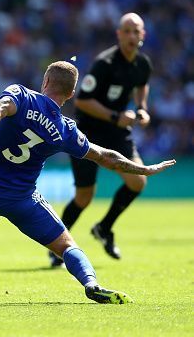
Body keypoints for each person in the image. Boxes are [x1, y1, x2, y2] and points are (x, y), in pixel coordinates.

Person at [0, 61, 175, 303]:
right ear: (71, 94)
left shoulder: (21, 96)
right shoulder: (65, 130)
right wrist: (143, 168)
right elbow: (105, 157)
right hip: (22, 201)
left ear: (45, 80)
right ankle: (91, 283)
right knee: (66, 246)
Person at [50, 13, 153, 267]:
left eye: (135, 31)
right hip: (89, 134)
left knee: (138, 181)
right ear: (118, 34)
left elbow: (142, 85)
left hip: (118, 134)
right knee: (84, 196)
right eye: (126, 31)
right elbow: (82, 100)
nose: (131, 36)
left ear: (143, 35)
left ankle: (104, 228)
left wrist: (142, 108)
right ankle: (56, 247)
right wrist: (116, 115)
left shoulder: (143, 64)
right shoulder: (104, 64)